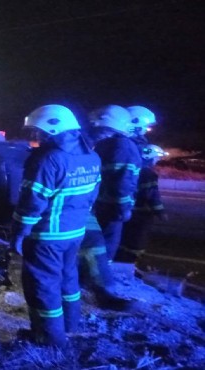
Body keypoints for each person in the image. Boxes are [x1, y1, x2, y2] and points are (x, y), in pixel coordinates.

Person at [10, 105, 100, 347]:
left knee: (43, 286)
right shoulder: (91, 157)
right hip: (75, 234)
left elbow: (31, 203)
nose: (34, 138)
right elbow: (92, 197)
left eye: (37, 133)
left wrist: (18, 234)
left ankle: (49, 339)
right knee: (68, 279)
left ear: (53, 129)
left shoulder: (47, 160)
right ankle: (70, 326)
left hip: (46, 236)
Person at [88, 105, 142, 261]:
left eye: (100, 128)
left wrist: (121, 207)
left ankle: (97, 275)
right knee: (104, 245)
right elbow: (122, 182)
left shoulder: (113, 146)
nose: (96, 131)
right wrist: (123, 208)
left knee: (101, 245)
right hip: (110, 207)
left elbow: (121, 181)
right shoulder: (120, 146)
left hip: (106, 206)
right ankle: (99, 276)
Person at [116, 144, 168, 263]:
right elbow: (151, 195)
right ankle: (128, 264)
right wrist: (160, 212)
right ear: (150, 157)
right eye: (156, 158)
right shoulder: (148, 173)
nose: (157, 161)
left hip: (129, 210)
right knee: (137, 241)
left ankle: (121, 261)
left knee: (125, 238)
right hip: (142, 214)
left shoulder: (134, 168)